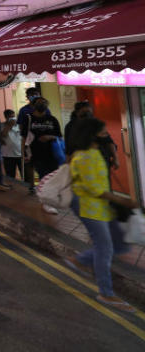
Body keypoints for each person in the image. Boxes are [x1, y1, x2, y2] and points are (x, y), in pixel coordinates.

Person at [67, 117, 139, 312]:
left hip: (101, 206)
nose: (106, 134)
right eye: (103, 131)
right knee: (105, 247)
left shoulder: (94, 151)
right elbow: (95, 189)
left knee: (118, 244)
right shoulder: (85, 157)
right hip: (89, 207)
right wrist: (124, 201)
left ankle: (80, 261)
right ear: (92, 134)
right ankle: (106, 293)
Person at [23, 97, 64, 214]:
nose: (43, 105)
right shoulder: (29, 119)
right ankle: (46, 202)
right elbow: (24, 137)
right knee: (44, 175)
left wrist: (49, 137)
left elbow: (59, 136)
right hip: (36, 153)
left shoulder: (52, 119)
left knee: (52, 176)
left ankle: (48, 199)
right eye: (40, 103)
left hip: (53, 152)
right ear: (34, 105)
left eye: (45, 103)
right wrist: (24, 153)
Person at [17, 87, 40, 193]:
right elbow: (21, 128)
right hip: (28, 142)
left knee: (41, 163)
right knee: (29, 163)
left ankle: (43, 184)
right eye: (31, 95)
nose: (34, 96)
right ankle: (32, 185)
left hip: (41, 141)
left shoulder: (44, 108)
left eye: (36, 94)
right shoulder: (23, 110)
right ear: (27, 97)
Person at [1, 109, 24, 180]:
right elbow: (2, 135)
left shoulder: (19, 125)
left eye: (14, 117)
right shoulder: (2, 125)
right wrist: (9, 126)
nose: (13, 119)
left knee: (25, 175)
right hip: (8, 156)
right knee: (10, 176)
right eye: (11, 117)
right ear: (6, 118)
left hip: (21, 154)